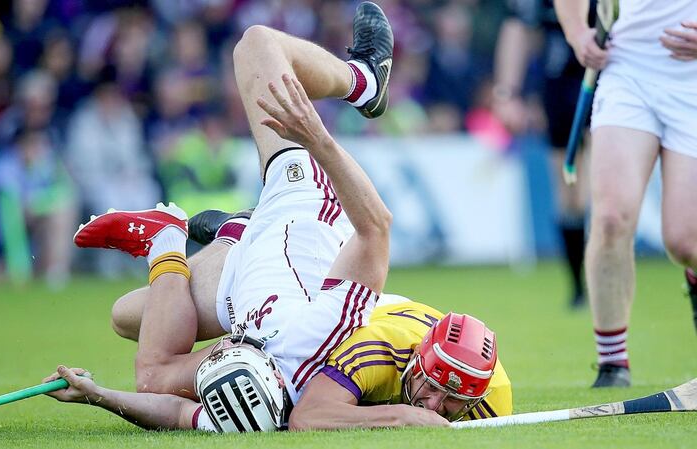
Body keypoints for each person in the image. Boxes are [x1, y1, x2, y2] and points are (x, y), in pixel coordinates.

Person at [49, 1, 404, 430]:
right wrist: (318, 140)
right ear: (274, 379)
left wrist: (99, 396)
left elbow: (167, 399)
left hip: (240, 287)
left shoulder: (233, 387)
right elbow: (376, 228)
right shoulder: (313, 342)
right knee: (257, 43)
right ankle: (365, 82)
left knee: (127, 316)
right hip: (300, 211)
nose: (223, 351)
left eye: (221, 357)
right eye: (229, 354)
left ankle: (212, 235)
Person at [554, 0, 697, 387]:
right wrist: (577, 33)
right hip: (627, 68)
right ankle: (613, 364)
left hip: (693, 78)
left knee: (686, 241)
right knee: (611, 217)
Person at [492, 0, 595, 309]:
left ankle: (604, 280)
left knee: (605, 191)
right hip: (560, 87)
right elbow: (517, 26)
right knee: (571, 196)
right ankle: (579, 287)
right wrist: (507, 93)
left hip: (614, 80)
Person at [289, 295, 512, 430]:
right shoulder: (377, 348)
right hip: (372, 310)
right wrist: (399, 415)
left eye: (454, 398)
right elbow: (306, 416)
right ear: (415, 361)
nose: (433, 406)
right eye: (432, 386)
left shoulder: (494, 397)